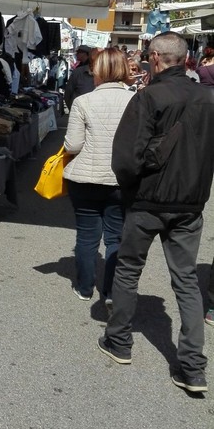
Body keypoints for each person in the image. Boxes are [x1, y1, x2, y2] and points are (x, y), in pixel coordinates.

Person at [98, 32, 214, 395]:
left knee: (129, 269)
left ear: (157, 58)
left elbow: (126, 157)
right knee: (186, 280)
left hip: (147, 200)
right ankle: (193, 367)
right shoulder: (208, 98)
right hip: (190, 202)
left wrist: (128, 189)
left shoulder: (149, 97)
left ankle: (119, 341)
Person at [63, 48, 133, 304]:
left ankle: (84, 287)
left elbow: (72, 145)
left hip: (85, 178)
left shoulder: (83, 101)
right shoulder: (136, 101)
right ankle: (111, 291)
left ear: (98, 70)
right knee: (115, 237)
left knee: (86, 236)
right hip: (121, 179)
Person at [64, 45, 96, 110]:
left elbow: (68, 92)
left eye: (78, 52)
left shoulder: (85, 70)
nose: (76, 54)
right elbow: (68, 92)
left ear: (85, 54)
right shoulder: (79, 68)